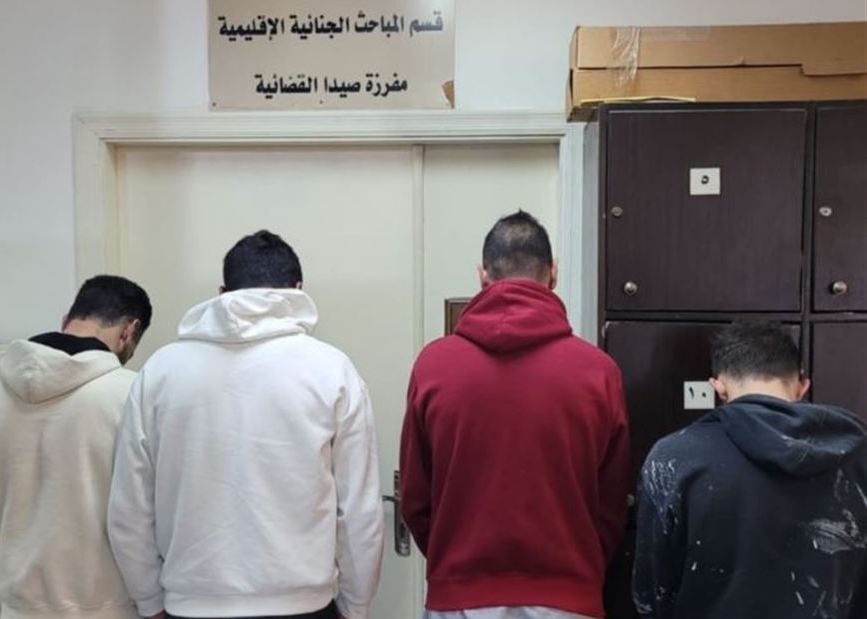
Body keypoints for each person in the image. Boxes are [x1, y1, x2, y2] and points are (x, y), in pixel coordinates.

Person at [107, 229, 383, 619]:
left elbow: (129, 508)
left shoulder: (160, 372)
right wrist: (356, 606)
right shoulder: (331, 369)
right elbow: (359, 510)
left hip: (191, 604)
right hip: (303, 605)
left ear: (222, 292)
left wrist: (149, 601)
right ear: (299, 289)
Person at [399, 211, 630, 619]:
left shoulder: (434, 366)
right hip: (567, 599)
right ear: (553, 273)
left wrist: (455, 566)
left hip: (459, 598)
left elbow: (416, 497)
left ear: (483, 275)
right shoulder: (598, 372)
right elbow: (611, 503)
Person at [633, 321, 867, 619]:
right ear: (802, 386)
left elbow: (652, 588)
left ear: (718, 386)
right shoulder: (857, 455)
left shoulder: (676, 456)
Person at [0, 275, 152, 619]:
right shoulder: (133, 394)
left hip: (17, 609)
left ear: (66, 319)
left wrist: (0, 600)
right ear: (129, 331)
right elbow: (144, 519)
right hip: (112, 609)